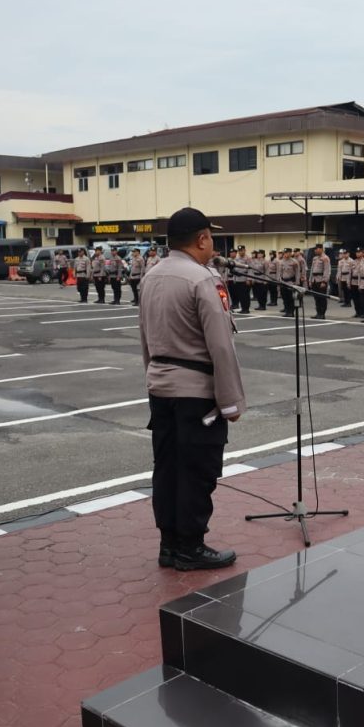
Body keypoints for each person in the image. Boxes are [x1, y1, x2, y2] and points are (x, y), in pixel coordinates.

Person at [138, 208, 245, 571]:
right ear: (201, 239)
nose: (212, 243)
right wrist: (231, 401)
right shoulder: (202, 279)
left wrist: (153, 375)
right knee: (198, 468)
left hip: (161, 385)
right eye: (210, 237)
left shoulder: (151, 275)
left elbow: (145, 337)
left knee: (167, 467)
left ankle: (169, 544)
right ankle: (190, 546)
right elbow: (220, 345)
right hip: (196, 392)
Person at [308, 244, 331, 319]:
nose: (315, 250)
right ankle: (318, 313)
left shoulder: (325, 258)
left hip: (321, 280)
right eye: (315, 249)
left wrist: (324, 281)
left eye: (317, 249)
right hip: (315, 280)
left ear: (321, 249)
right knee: (316, 298)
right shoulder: (315, 258)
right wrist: (310, 280)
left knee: (322, 297)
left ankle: (322, 314)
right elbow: (312, 270)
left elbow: (327, 270)